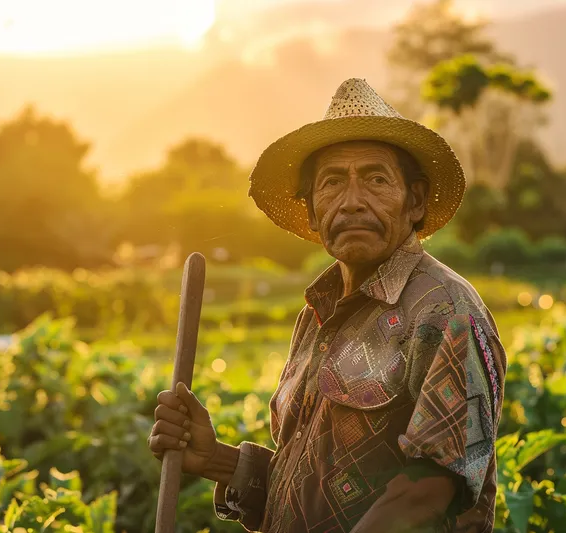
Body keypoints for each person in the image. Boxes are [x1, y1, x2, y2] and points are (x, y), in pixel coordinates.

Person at [148, 78, 507, 533]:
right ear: (313, 212)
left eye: (376, 179)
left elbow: (427, 491)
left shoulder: (444, 311)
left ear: (414, 201)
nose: (353, 201)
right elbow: (313, 482)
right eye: (333, 182)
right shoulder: (316, 315)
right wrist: (216, 458)